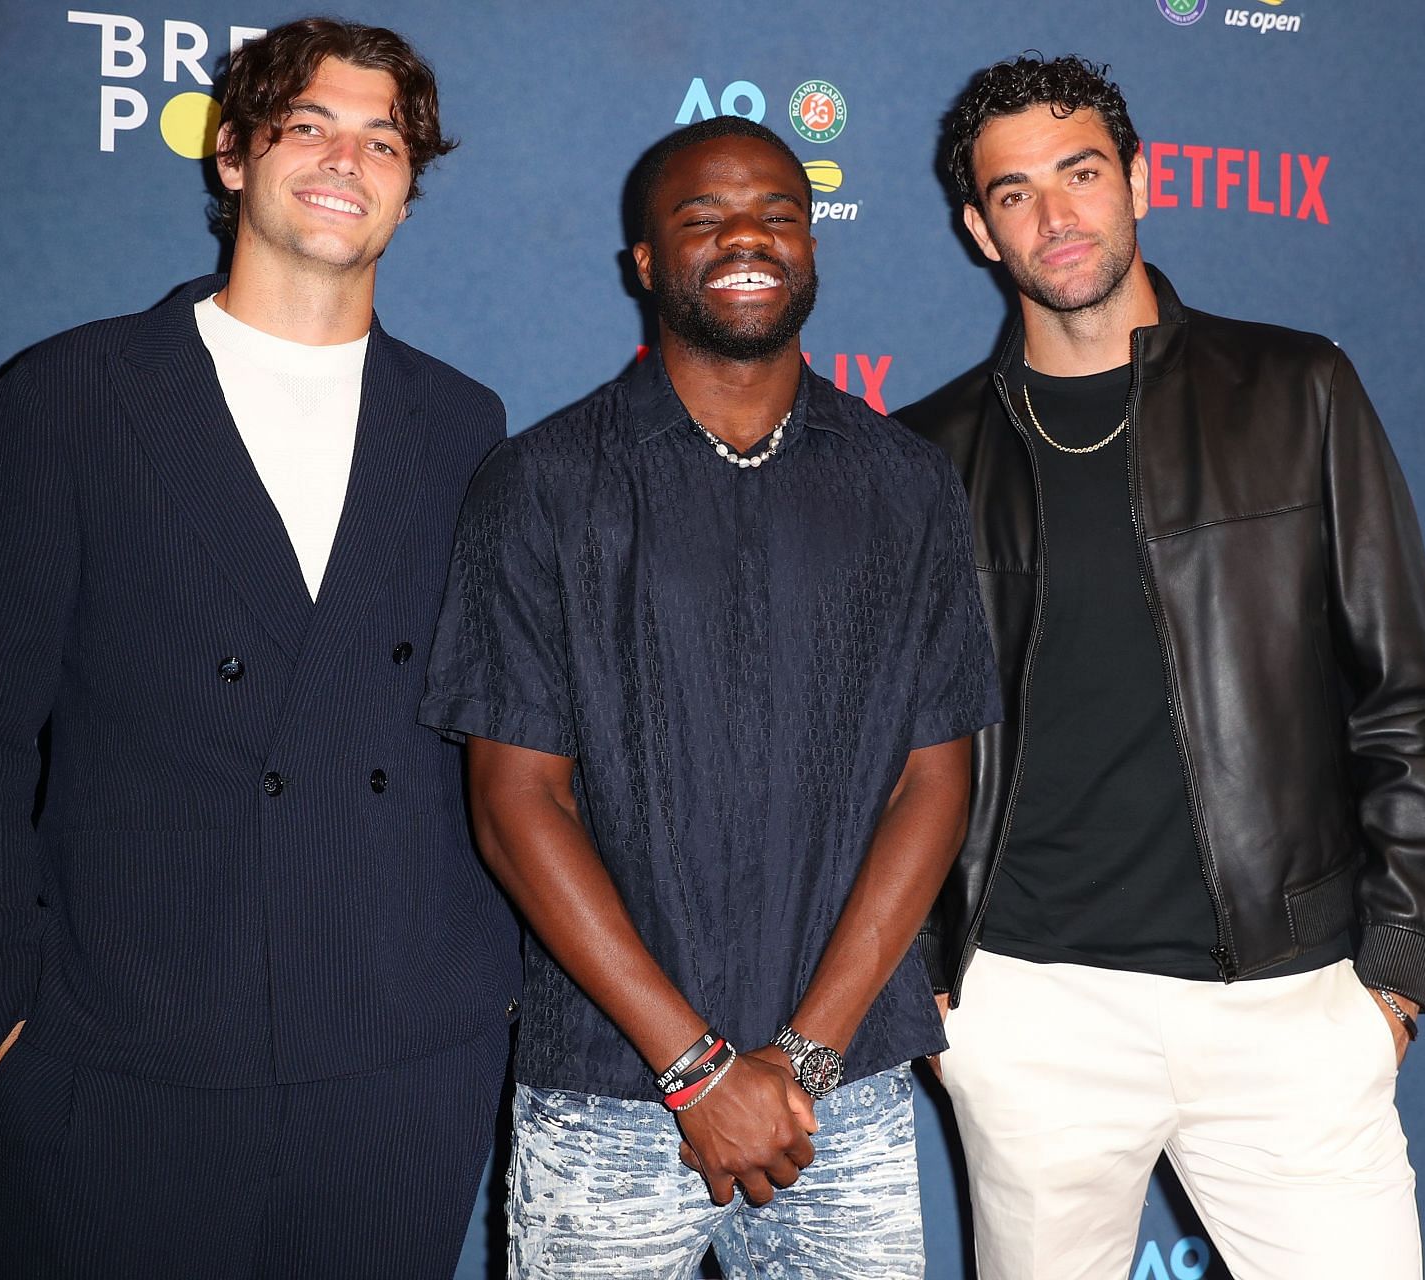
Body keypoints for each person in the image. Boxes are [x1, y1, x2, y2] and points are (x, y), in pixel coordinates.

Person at [0, 18, 517, 1277]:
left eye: (384, 140)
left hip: (401, 1062)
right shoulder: (68, 398)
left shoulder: (463, 424)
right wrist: (5, 1028)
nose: (347, 158)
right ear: (233, 153)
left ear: (410, 189)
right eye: (309, 125)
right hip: (124, 1057)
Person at [897, 54, 1425, 1280]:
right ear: (976, 228)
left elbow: (1407, 694)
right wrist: (936, 999)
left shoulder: (1297, 388)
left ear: (1141, 179)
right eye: (1014, 193)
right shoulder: (927, 457)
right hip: (1030, 1007)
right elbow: (884, 752)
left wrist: (1396, 977)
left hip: (1291, 1003)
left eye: (1081, 172)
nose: (1056, 216)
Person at [420, 116, 1001, 1279]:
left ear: (814, 249)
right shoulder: (541, 483)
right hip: (608, 1092)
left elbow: (936, 779)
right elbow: (515, 801)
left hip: (843, 1095)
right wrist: (695, 1068)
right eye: (704, 217)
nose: (748, 237)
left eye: (779, 213)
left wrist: (805, 1061)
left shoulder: (908, 485)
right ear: (646, 261)